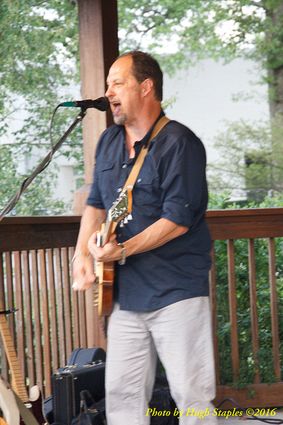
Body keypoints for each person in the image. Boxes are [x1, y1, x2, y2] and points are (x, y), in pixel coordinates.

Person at [72, 50, 217, 425]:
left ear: (147, 87)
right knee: (122, 396)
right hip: (125, 295)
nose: (108, 92)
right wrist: (82, 258)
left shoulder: (179, 143)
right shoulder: (107, 142)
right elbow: (96, 203)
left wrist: (121, 250)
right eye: (107, 84)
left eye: (117, 83)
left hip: (176, 292)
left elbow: (178, 220)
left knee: (192, 397)